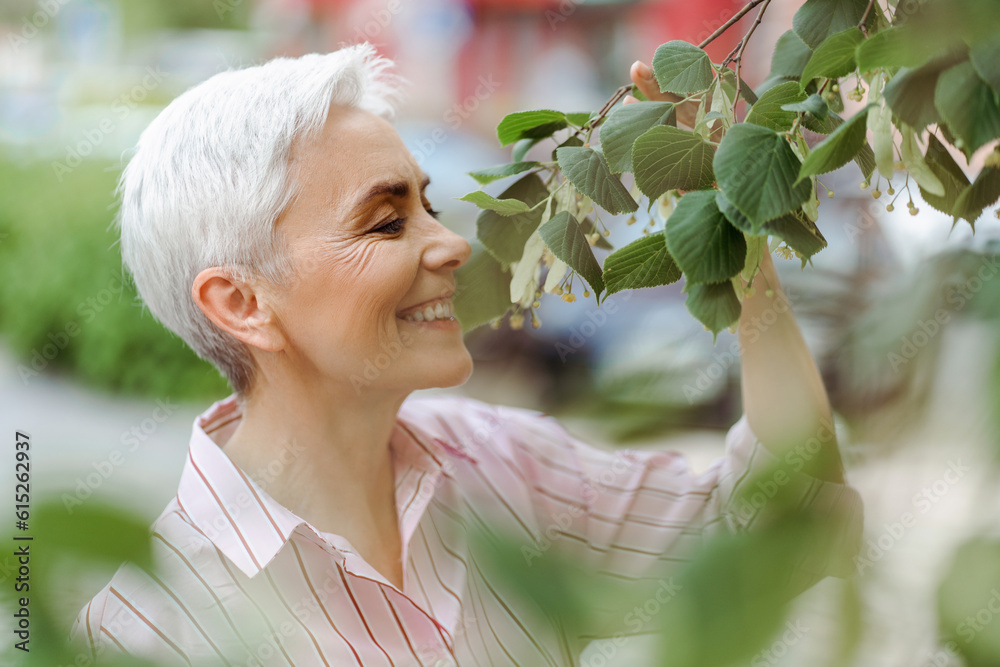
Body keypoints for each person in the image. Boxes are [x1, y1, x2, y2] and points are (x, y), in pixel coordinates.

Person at [68, 43, 863, 666]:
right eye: (385, 222)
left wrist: (741, 248)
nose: (450, 243)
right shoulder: (148, 630)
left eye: (430, 204)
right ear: (242, 303)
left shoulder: (498, 462)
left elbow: (779, 527)